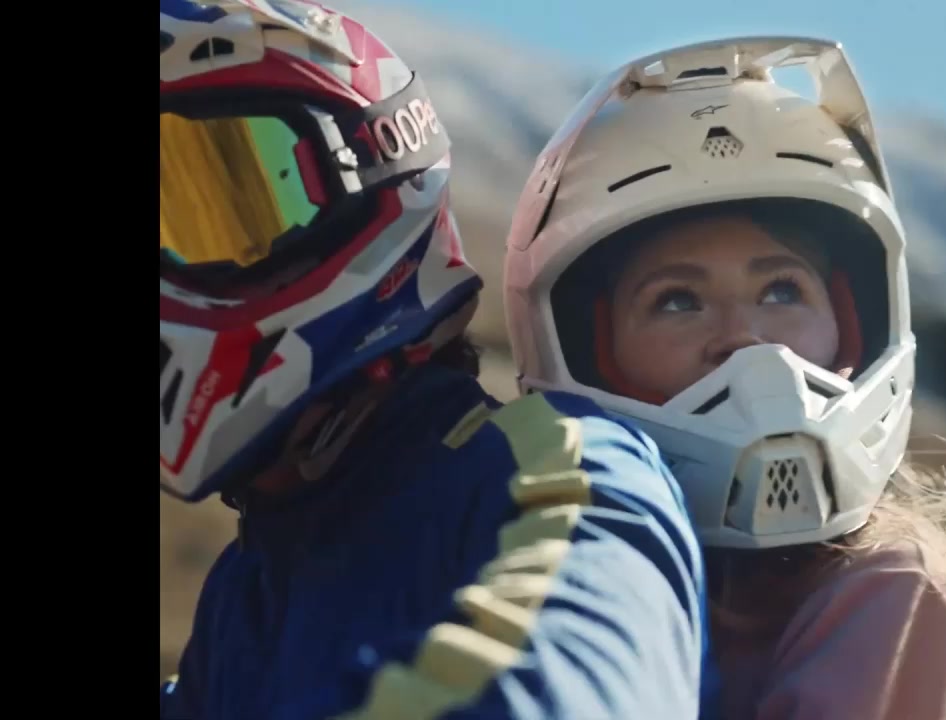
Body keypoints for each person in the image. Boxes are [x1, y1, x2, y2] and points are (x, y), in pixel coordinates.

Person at [159, 2, 711, 718]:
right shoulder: (249, 584)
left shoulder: (567, 473)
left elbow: (563, 690)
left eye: (218, 212)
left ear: (368, 178)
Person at [504, 36, 946, 720]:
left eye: (781, 291)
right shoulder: (574, 578)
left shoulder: (891, 599)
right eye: (678, 301)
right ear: (585, 352)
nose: (746, 337)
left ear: (853, 324)